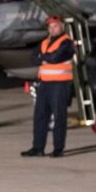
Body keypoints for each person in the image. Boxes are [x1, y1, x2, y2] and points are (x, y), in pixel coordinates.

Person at [22, 16, 74, 158]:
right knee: (40, 116)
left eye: (55, 26)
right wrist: (45, 58)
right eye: (50, 27)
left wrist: (42, 57)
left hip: (60, 84)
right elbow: (33, 58)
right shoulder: (44, 42)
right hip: (44, 83)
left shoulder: (67, 43)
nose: (52, 29)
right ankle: (38, 148)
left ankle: (58, 149)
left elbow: (55, 58)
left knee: (59, 117)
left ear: (61, 26)